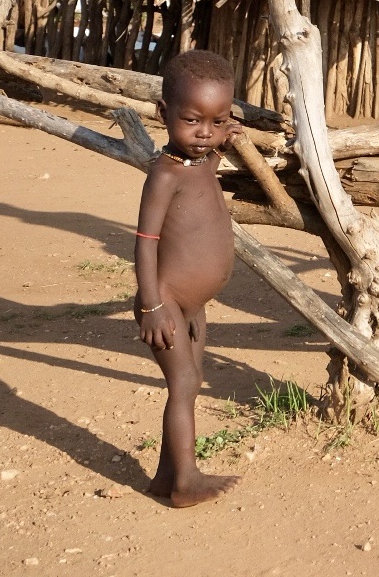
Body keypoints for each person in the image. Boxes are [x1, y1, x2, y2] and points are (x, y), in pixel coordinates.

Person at [133, 49, 243, 506]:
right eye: (193, 120)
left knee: (190, 380)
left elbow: (206, 168)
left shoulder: (198, 164)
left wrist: (225, 145)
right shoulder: (164, 175)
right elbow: (145, 241)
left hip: (189, 305)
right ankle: (186, 482)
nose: (205, 133)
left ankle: (166, 476)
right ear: (164, 114)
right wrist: (154, 304)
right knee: (184, 385)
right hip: (165, 302)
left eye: (218, 121)